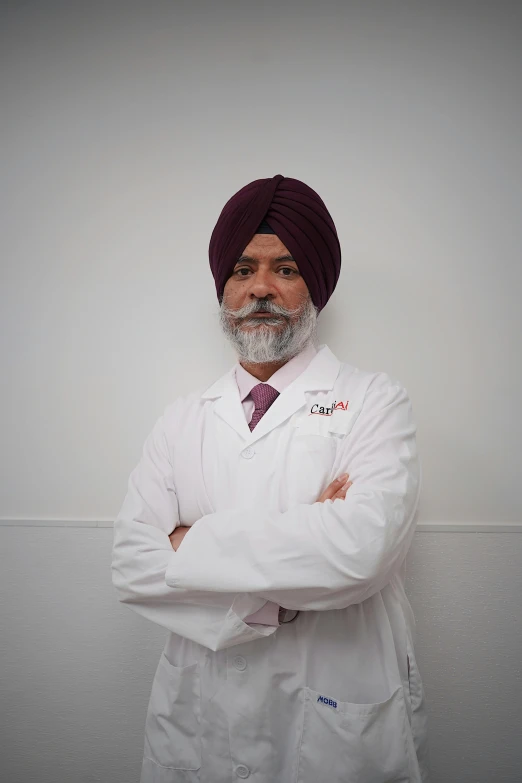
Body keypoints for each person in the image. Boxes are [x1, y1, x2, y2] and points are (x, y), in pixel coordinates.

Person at [111, 174, 431, 783]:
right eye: (241, 270)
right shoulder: (182, 418)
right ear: (223, 288)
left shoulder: (373, 401)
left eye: (285, 268)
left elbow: (360, 553)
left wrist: (187, 542)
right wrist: (304, 542)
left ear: (316, 286)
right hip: (199, 713)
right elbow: (131, 562)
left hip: (334, 707)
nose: (260, 287)